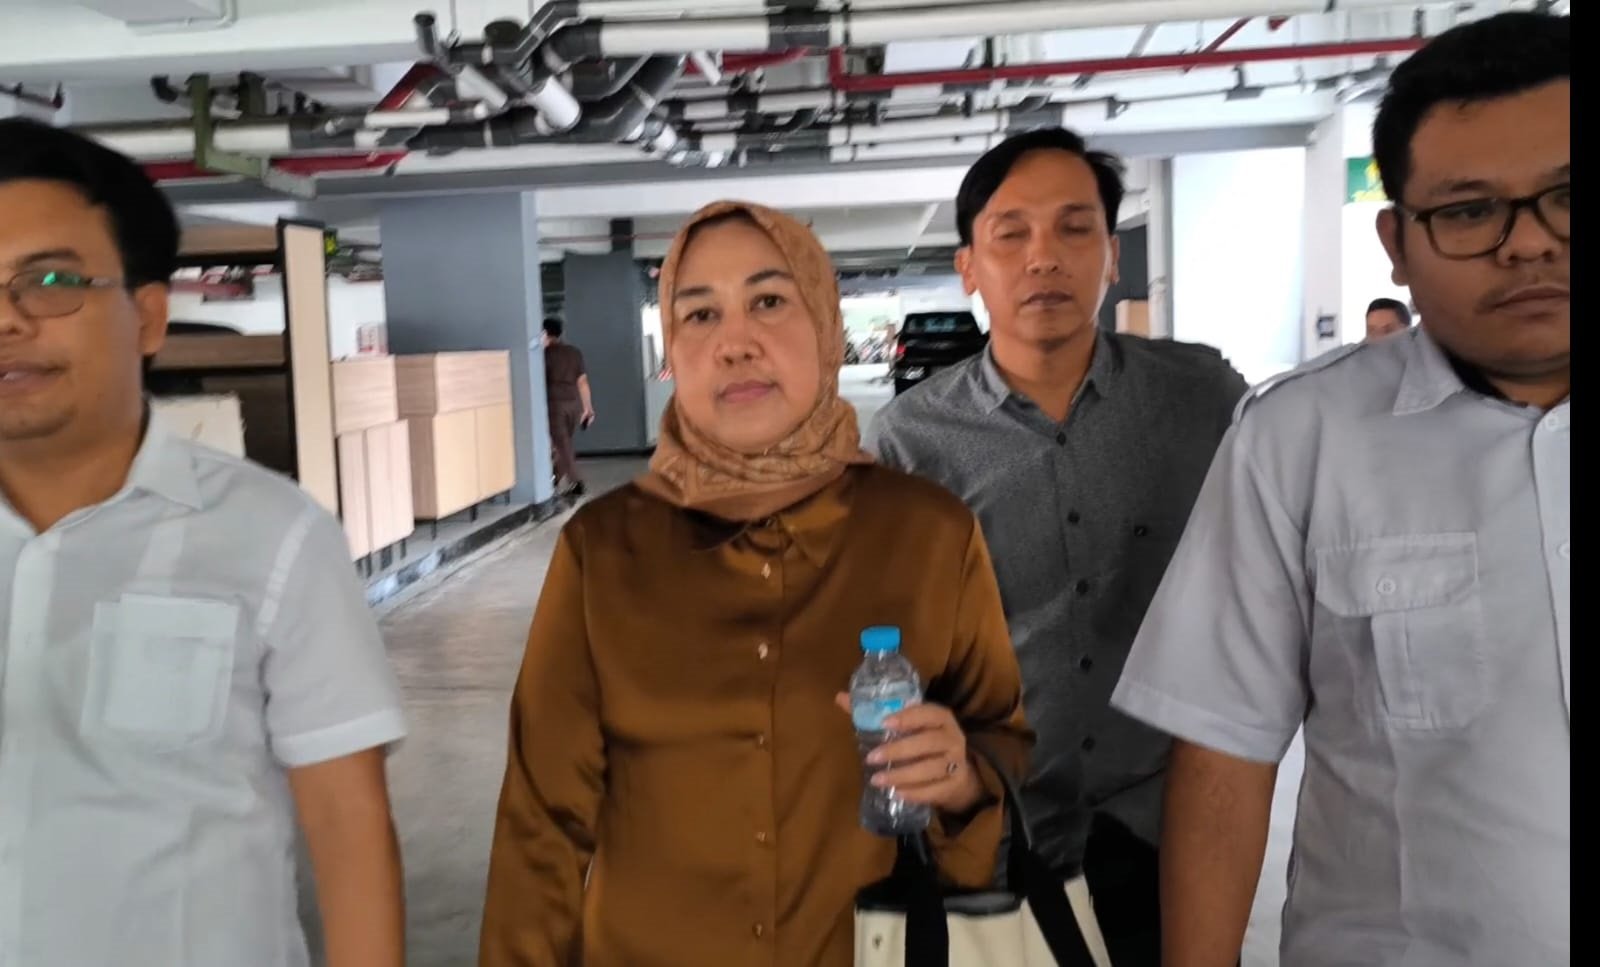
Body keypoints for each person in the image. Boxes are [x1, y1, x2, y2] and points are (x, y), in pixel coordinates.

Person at [1111, 11, 1569, 966]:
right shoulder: (1301, 439)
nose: (1528, 244)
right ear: (1397, 242)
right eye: (1471, 211)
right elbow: (1225, 753)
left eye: (1566, 196)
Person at [479, 201, 1035, 966]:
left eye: (769, 301)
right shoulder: (603, 550)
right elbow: (541, 819)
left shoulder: (929, 534)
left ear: (828, 330)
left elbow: (1001, 738)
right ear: (673, 350)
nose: (735, 342)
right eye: (700, 314)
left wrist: (961, 776)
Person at [0, 119, 407, 966]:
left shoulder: (274, 536)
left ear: (148, 316)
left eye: (49, 280)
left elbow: (346, 825)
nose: (6, 319)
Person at [865, 127, 1248, 965]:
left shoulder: (1200, 400)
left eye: (1075, 229)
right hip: (994, 829)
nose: (1044, 257)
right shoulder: (908, 442)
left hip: (1165, 823)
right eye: (1011, 235)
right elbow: (887, 640)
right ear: (969, 267)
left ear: (1111, 255)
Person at [542, 315, 594, 497]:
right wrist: (588, 408)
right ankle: (554, 479)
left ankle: (576, 482)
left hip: (554, 404)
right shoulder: (574, 353)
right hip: (574, 404)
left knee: (561, 445)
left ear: (545, 334)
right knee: (564, 445)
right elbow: (582, 382)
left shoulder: (544, 355)